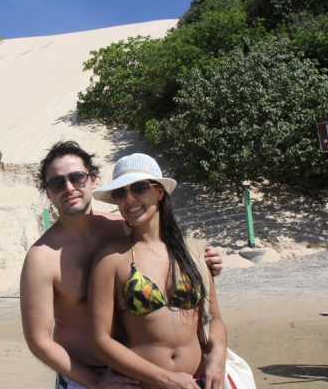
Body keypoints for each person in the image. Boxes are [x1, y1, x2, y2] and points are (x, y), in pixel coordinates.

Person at [20, 141, 224, 389]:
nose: (69, 188)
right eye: (57, 183)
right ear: (47, 192)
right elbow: (39, 341)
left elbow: (163, 246)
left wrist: (206, 262)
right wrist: (96, 381)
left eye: (77, 177)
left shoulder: (123, 225)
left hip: (138, 371)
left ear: (93, 180)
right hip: (84, 374)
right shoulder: (42, 258)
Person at [88, 153, 226, 389]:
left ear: (160, 192)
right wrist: (163, 378)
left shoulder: (193, 252)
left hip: (200, 382)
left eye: (139, 188)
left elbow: (213, 319)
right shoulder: (110, 260)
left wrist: (217, 357)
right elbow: (100, 340)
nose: (130, 199)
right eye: (121, 192)